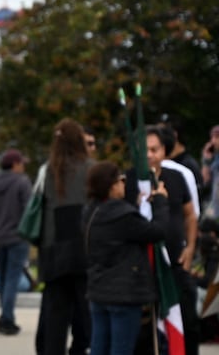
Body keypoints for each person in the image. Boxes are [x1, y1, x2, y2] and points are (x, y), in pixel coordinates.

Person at [124, 126, 198, 355]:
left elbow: (190, 215)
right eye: (143, 149)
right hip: (141, 268)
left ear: (164, 151)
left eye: (154, 149)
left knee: (185, 320)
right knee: (144, 333)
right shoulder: (128, 179)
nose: (148, 155)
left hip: (175, 262)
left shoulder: (177, 177)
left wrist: (190, 249)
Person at [83, 161, 168, 355]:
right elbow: (158, 231)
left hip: (98, 291)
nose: (124, 184)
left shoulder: (90, 212)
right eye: (121, 180)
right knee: (121, 349)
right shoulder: (122, 216)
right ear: (112, 186)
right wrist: (161, 202)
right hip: (124, 294)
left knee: (99, 348)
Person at [36, 119, 92, 355]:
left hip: (53, 250)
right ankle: (80, 349)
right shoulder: (90, 168)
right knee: (85, 309)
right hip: (84, 247)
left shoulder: (49, 170)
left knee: (55, 315)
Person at [0, 148, 32, 336]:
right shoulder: (22, 182)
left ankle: (5, 315)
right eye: (22, 163)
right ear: (15, 164)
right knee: (13, 278)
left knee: (3, 277)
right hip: (17, 236)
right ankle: (7, 318)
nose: (23, 167)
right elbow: (29, 209)